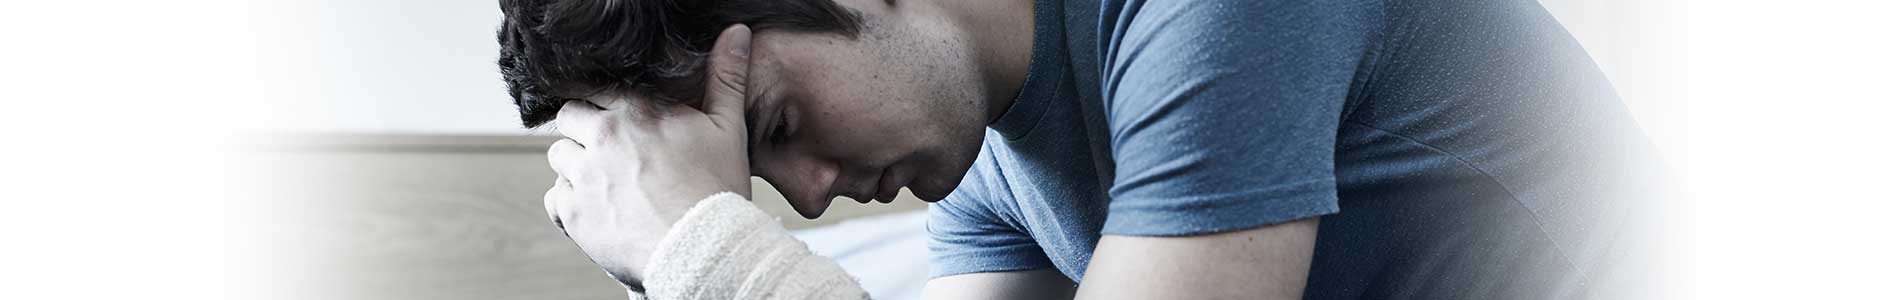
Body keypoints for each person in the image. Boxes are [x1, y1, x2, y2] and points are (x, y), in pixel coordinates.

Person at [501, 0, 1661, 298]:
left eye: (781, 129)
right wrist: (673, 258)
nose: (807, 201)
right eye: (761, 182)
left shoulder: (1210, 19)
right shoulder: (991, 148)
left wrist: (713, 255)